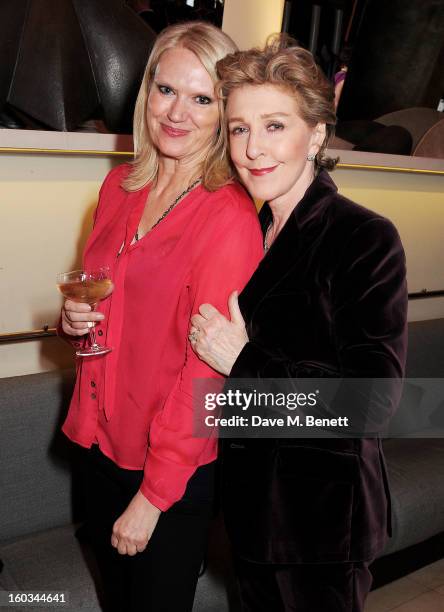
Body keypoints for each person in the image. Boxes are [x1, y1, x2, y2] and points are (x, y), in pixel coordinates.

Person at [189, 37, 408, 612]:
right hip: (253, 519)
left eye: (275, 126)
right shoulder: (248, 232)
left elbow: (372, 402)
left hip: (320, 528)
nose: (253, 149)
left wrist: (244, 363)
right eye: (239, 129)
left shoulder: (362, 236)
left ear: (316, 135)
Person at [58, 21, 263, 612]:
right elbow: (109, 304)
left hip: (167, 471)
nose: (178, 113)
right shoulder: (119, 186)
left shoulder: (226, 217)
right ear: (145, 91)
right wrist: (73, 321)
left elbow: (209, 375)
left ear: (224, 113)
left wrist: (152, 497)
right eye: (166, 90)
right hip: (97, 443)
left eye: (202, 99)